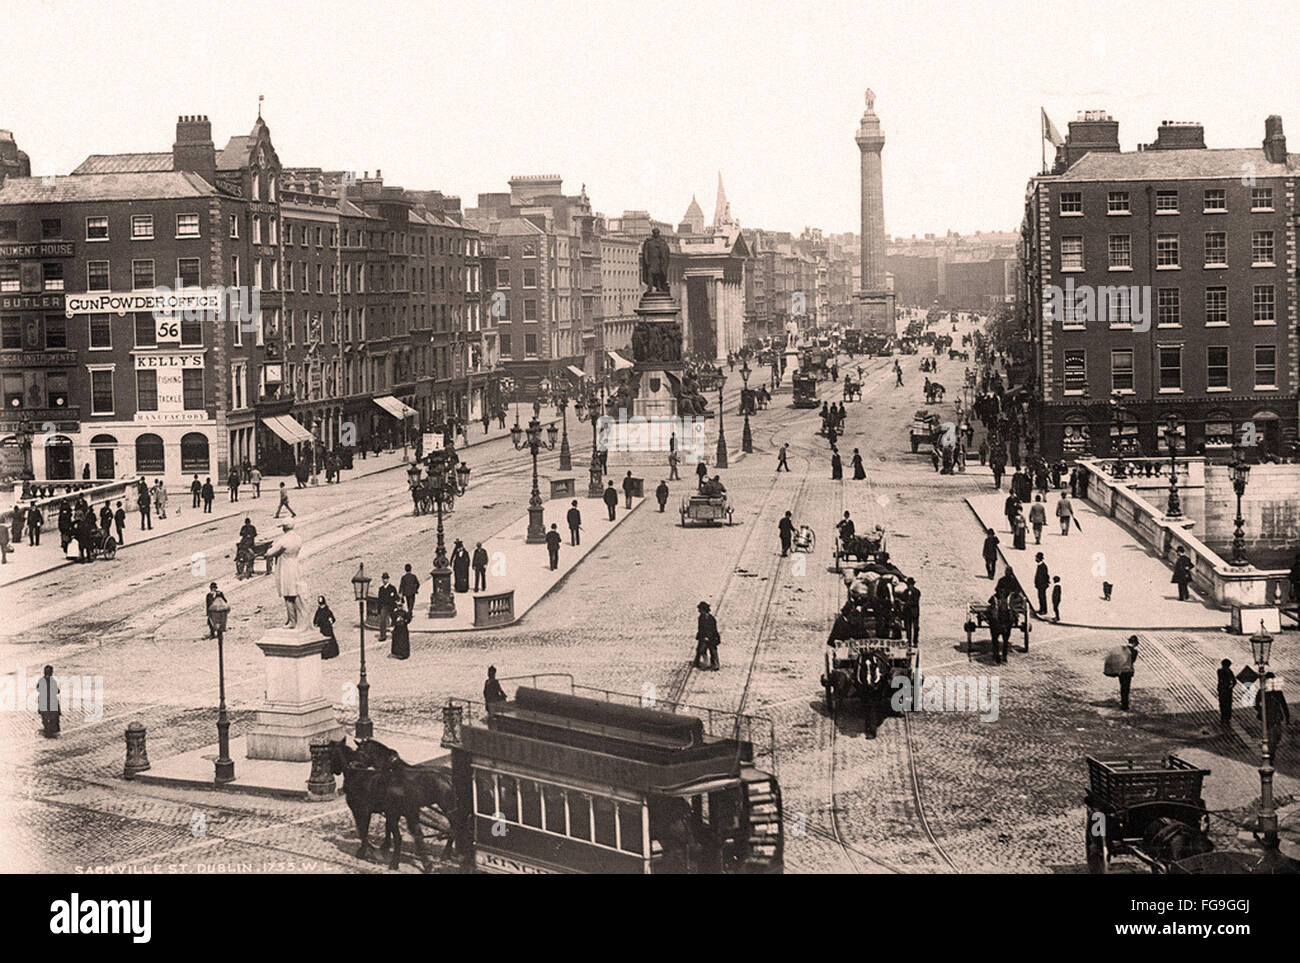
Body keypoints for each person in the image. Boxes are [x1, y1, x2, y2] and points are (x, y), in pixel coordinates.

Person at [1256, 673, 1290, 755]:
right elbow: (1256, 703)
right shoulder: (1263, 691)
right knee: (1271, 735)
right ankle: (1270, 751)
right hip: (1269, 716)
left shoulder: (1277, 692)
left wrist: (1287, 716)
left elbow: (1283, 704)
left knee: (1276, 735)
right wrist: (1261, 710)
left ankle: (1271, 748)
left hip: (1275, 716)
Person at [1103, 635, 1139, 711]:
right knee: (1126, 688)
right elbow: (1132, 661)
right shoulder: (1135, 652)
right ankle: (1125, 704)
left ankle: (1123, 702)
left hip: (1121, 671)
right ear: (1135, 643)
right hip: (1128, 671)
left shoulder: (1122, 649)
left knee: (1122, 686)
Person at [694, 601, 720, 671]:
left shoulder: (711, 619)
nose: (699, 611)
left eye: (700, 610)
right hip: (703, 637)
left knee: (713, 651)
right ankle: (704, 663)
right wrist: (701, 636)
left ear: (704, 610)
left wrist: (709, 637)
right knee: (700, 650)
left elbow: (713, 630)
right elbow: (700, 628)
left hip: (711, 638)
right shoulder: (700, 618)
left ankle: (715, 664)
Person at [37, 665, 60, 738]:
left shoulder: (41, 680)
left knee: (44, 717)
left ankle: (47, 729)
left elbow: (38, 689)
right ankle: (52, 730)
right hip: (52, 701)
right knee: (54, 717)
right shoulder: (52, 681)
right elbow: (57, 691)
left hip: (43, 701)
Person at [376, 572, 398, 641]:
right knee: (382, 621)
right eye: (383, 579)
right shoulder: (381, 589)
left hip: (391, 606)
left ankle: (396, 634)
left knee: (394, 620)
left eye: (386, 579)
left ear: (388, 579)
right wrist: (379, 609)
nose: (384, 580)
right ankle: (383, 635)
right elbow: (379, 600)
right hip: (384, 606)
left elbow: (395, 598)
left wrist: (395, 607)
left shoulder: (392, 588)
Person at [900, 577, 921, 646]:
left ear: (913, 584)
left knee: (915, 627)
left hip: (914, 612)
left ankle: (915, 641)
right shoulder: (905, 592)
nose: (909, 586)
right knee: (908, 628)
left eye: (910, 584)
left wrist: (905, 604)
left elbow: (915, 602)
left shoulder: (917, 592)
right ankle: (909, 641)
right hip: (907, 612)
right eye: (908, 585)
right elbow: (903, 599)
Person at [1216, 658, 1236, 726]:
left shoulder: (1221, 671)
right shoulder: (1225, 671)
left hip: (1224, 690)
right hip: (1225, 690)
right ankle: (1225, 717)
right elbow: (1234, 681)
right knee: (1225, 704)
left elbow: (1234, 681)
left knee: (1225, 704)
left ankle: (1225, 717)